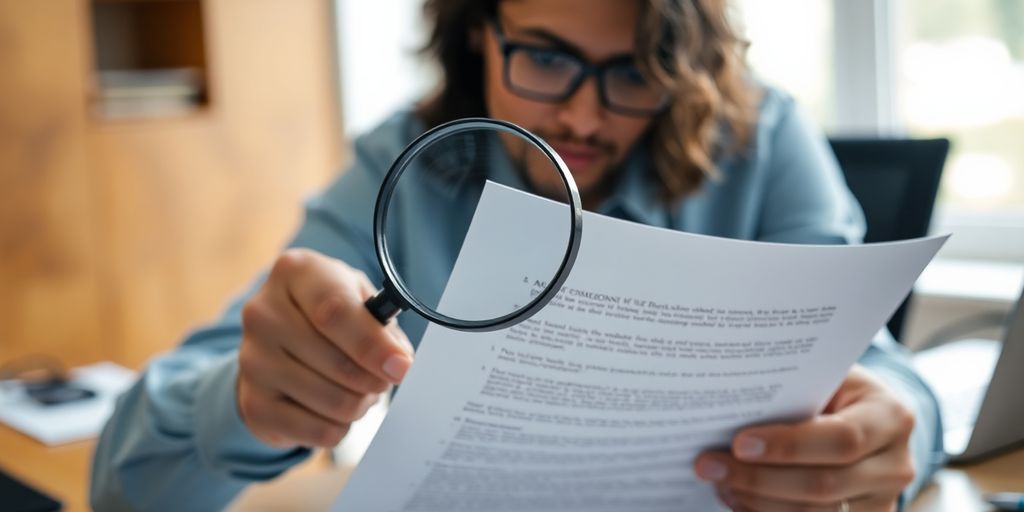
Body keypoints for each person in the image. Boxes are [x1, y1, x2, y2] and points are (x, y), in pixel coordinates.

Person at [91, 0, 944, 510]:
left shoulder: (764, 141)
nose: (582, 117)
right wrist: (247, 399)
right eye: (544, 56)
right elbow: (123, 485)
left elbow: (877, 377)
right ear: (477, 34)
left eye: (635, 71)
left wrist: (887, 429)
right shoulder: (410, 166)